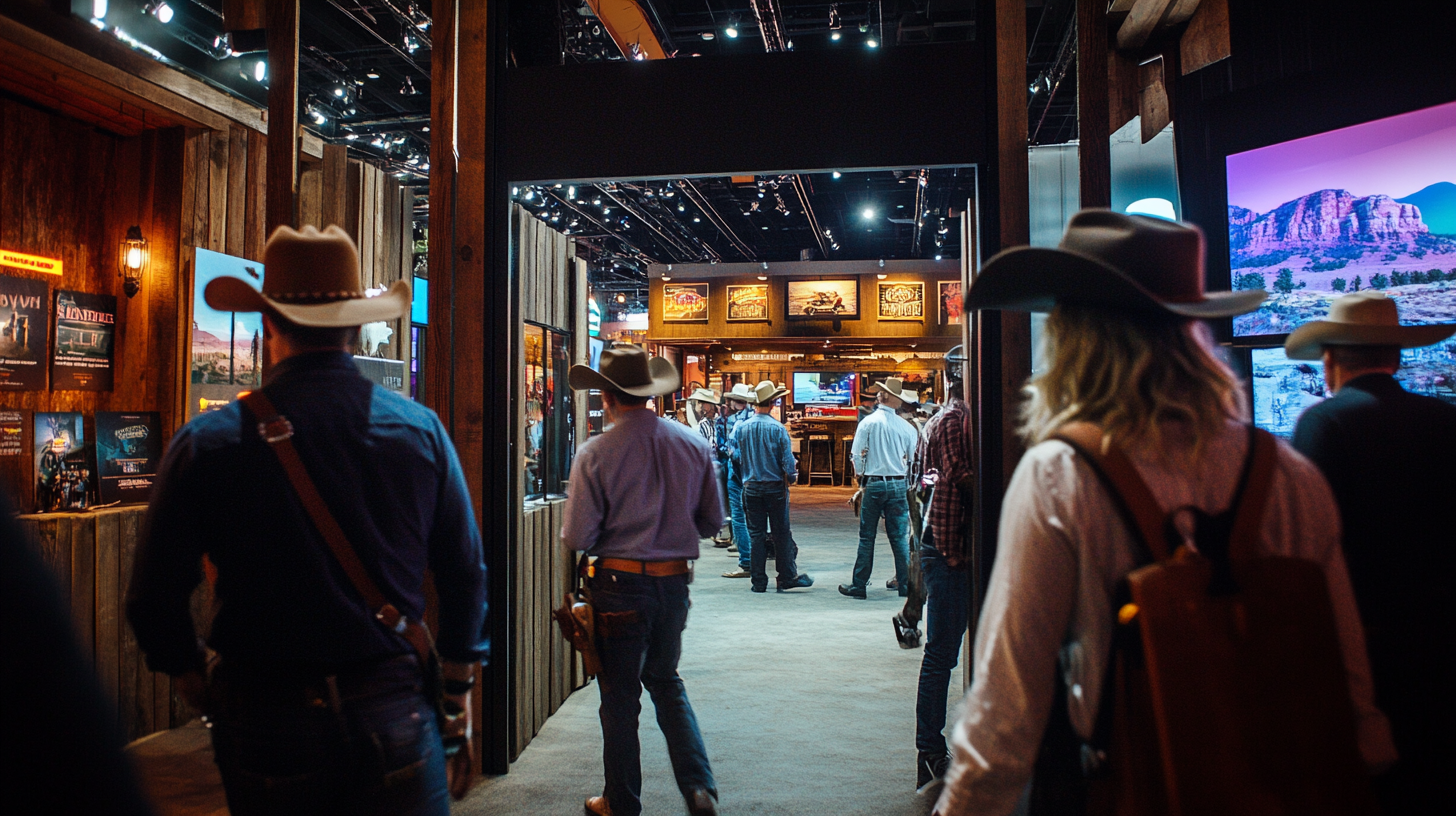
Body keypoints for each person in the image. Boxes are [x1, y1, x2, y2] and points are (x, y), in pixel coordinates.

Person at [933, 210, 1394, 816]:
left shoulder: (1059, 475)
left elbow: (1003, 717)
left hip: (1125, 788)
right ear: (1191, 331)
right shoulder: (1289, 475)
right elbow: (1351, 693)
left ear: (1075, 336)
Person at [127, 225, 487, 816]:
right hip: (392, 705)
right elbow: (464, 574)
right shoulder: (419, 432)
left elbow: (152, 598)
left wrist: (198, 685)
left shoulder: (208, 442)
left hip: (265, 716)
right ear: (352, 327)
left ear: (269, 325)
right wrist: (455, 693)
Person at [1284, 291, 1456, 813]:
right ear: (1398, 357)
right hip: (1444, 642)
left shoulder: (1323, 425)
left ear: (1330, 360)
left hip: (1366, 647)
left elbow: (1309, 546)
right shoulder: (1446, 420)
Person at [560, 345, 720, 816]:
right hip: (674, 586)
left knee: (619, 698)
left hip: (616, 586)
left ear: (606, 397)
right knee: (667, 682)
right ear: (650, 393)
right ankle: (699, 788)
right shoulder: (693, 445)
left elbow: (577, 535)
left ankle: (621, 802)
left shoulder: (594, 453)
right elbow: (712, 523)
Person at [897, 347, 973, 792]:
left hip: (941, 543)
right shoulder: (951, 420)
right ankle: (929, 752)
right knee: (941, 655)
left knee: (943, 653)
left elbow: (925, 481)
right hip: (948, 549)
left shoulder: (944, 418)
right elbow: (961, 476)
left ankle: (933, 750)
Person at [731, 380, 815, 593]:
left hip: (751, 487)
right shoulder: (778, 429)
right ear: (772, 403)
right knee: (781, 533)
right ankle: (786, 577)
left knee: (756, 535)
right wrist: (793, 477)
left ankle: (758, 581)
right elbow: (787, 461)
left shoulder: (742, 428)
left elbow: (737, 457)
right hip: (775, 487)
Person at [840, 377, 919, 599]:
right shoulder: (907, 428)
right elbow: (913, 461)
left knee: (867, 537)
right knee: (899, 537)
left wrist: (861, 477)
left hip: (874, 483)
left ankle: (859, 584)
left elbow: (856, 456)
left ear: (880, 397)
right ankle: (905, 585)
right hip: (899, 483)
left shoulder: (867, 423)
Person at [719, 382, 757, 577]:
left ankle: (747, 562)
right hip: (756, 474)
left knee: (739, 518)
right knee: (757, 518)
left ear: (734, 401)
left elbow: (730, 450)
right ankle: (758, 558)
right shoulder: (757, 418)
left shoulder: (733, 421)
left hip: (737, 473)